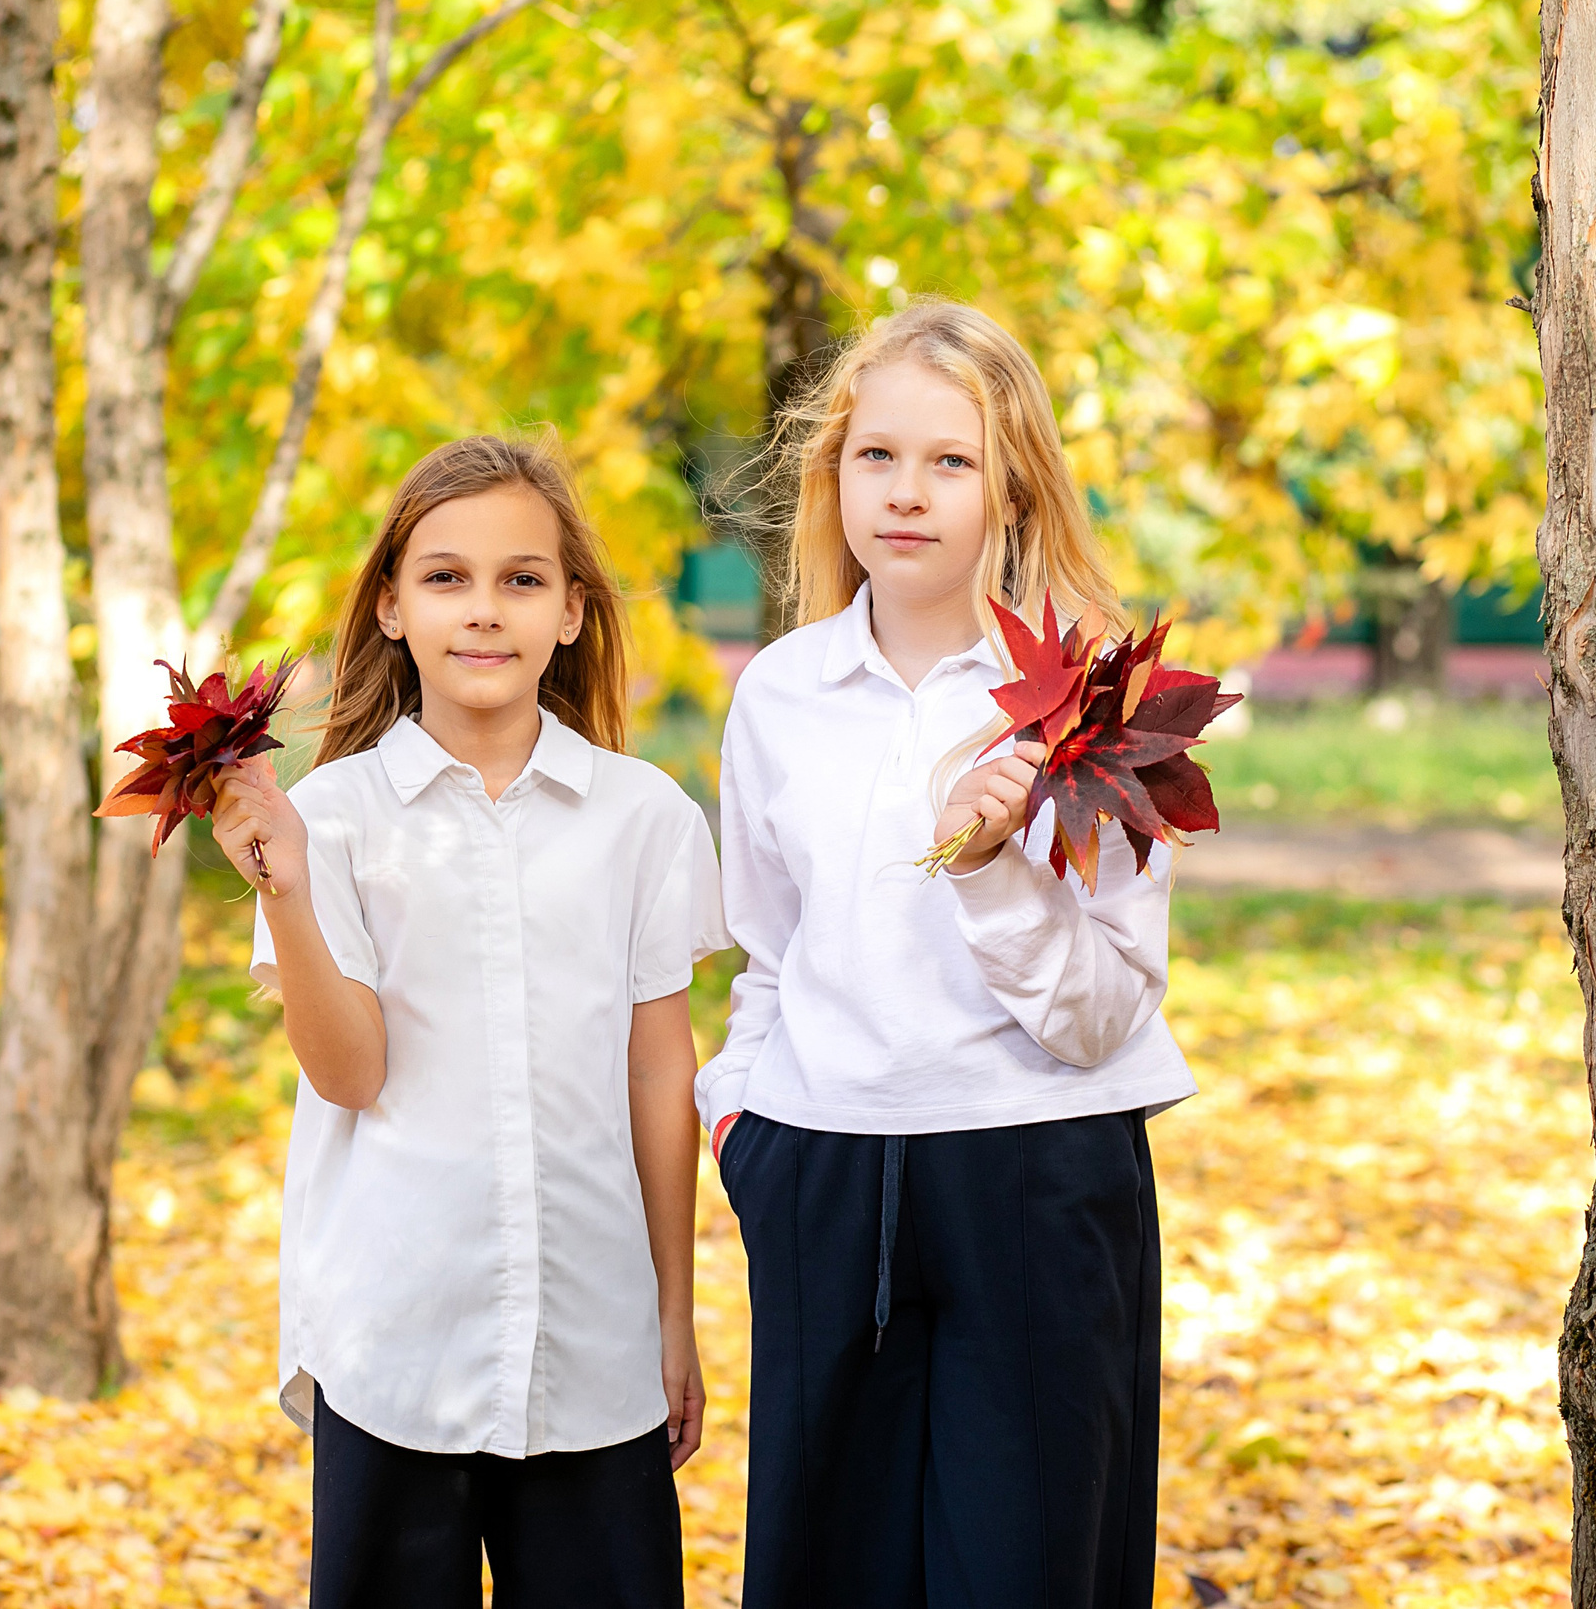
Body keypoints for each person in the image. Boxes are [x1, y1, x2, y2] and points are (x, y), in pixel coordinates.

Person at [700, 301, 1197, 1608]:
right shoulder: (780, 692)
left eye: (950, 461)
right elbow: (767, 949)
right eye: (876, 456)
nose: (905, 493)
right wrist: (740, 1120)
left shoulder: (1100, 700)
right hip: (816, 1169)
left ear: (1012, 483)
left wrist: (989, 876)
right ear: (836, 474)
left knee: (1029, 1573)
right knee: (827, 1573)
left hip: (1037, 1174)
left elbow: (1101, 1013)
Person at [213, 434, 730, 1609]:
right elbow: (348, 1075)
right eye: (445, 578)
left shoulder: (643, 821)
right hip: (395, 1344)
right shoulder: (328, 822)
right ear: (390, 607)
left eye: (521, 579)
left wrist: (671, 1316)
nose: (483, 610)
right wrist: (283, 886)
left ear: (573, 612)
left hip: (593, 1353)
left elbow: (661, 1075)